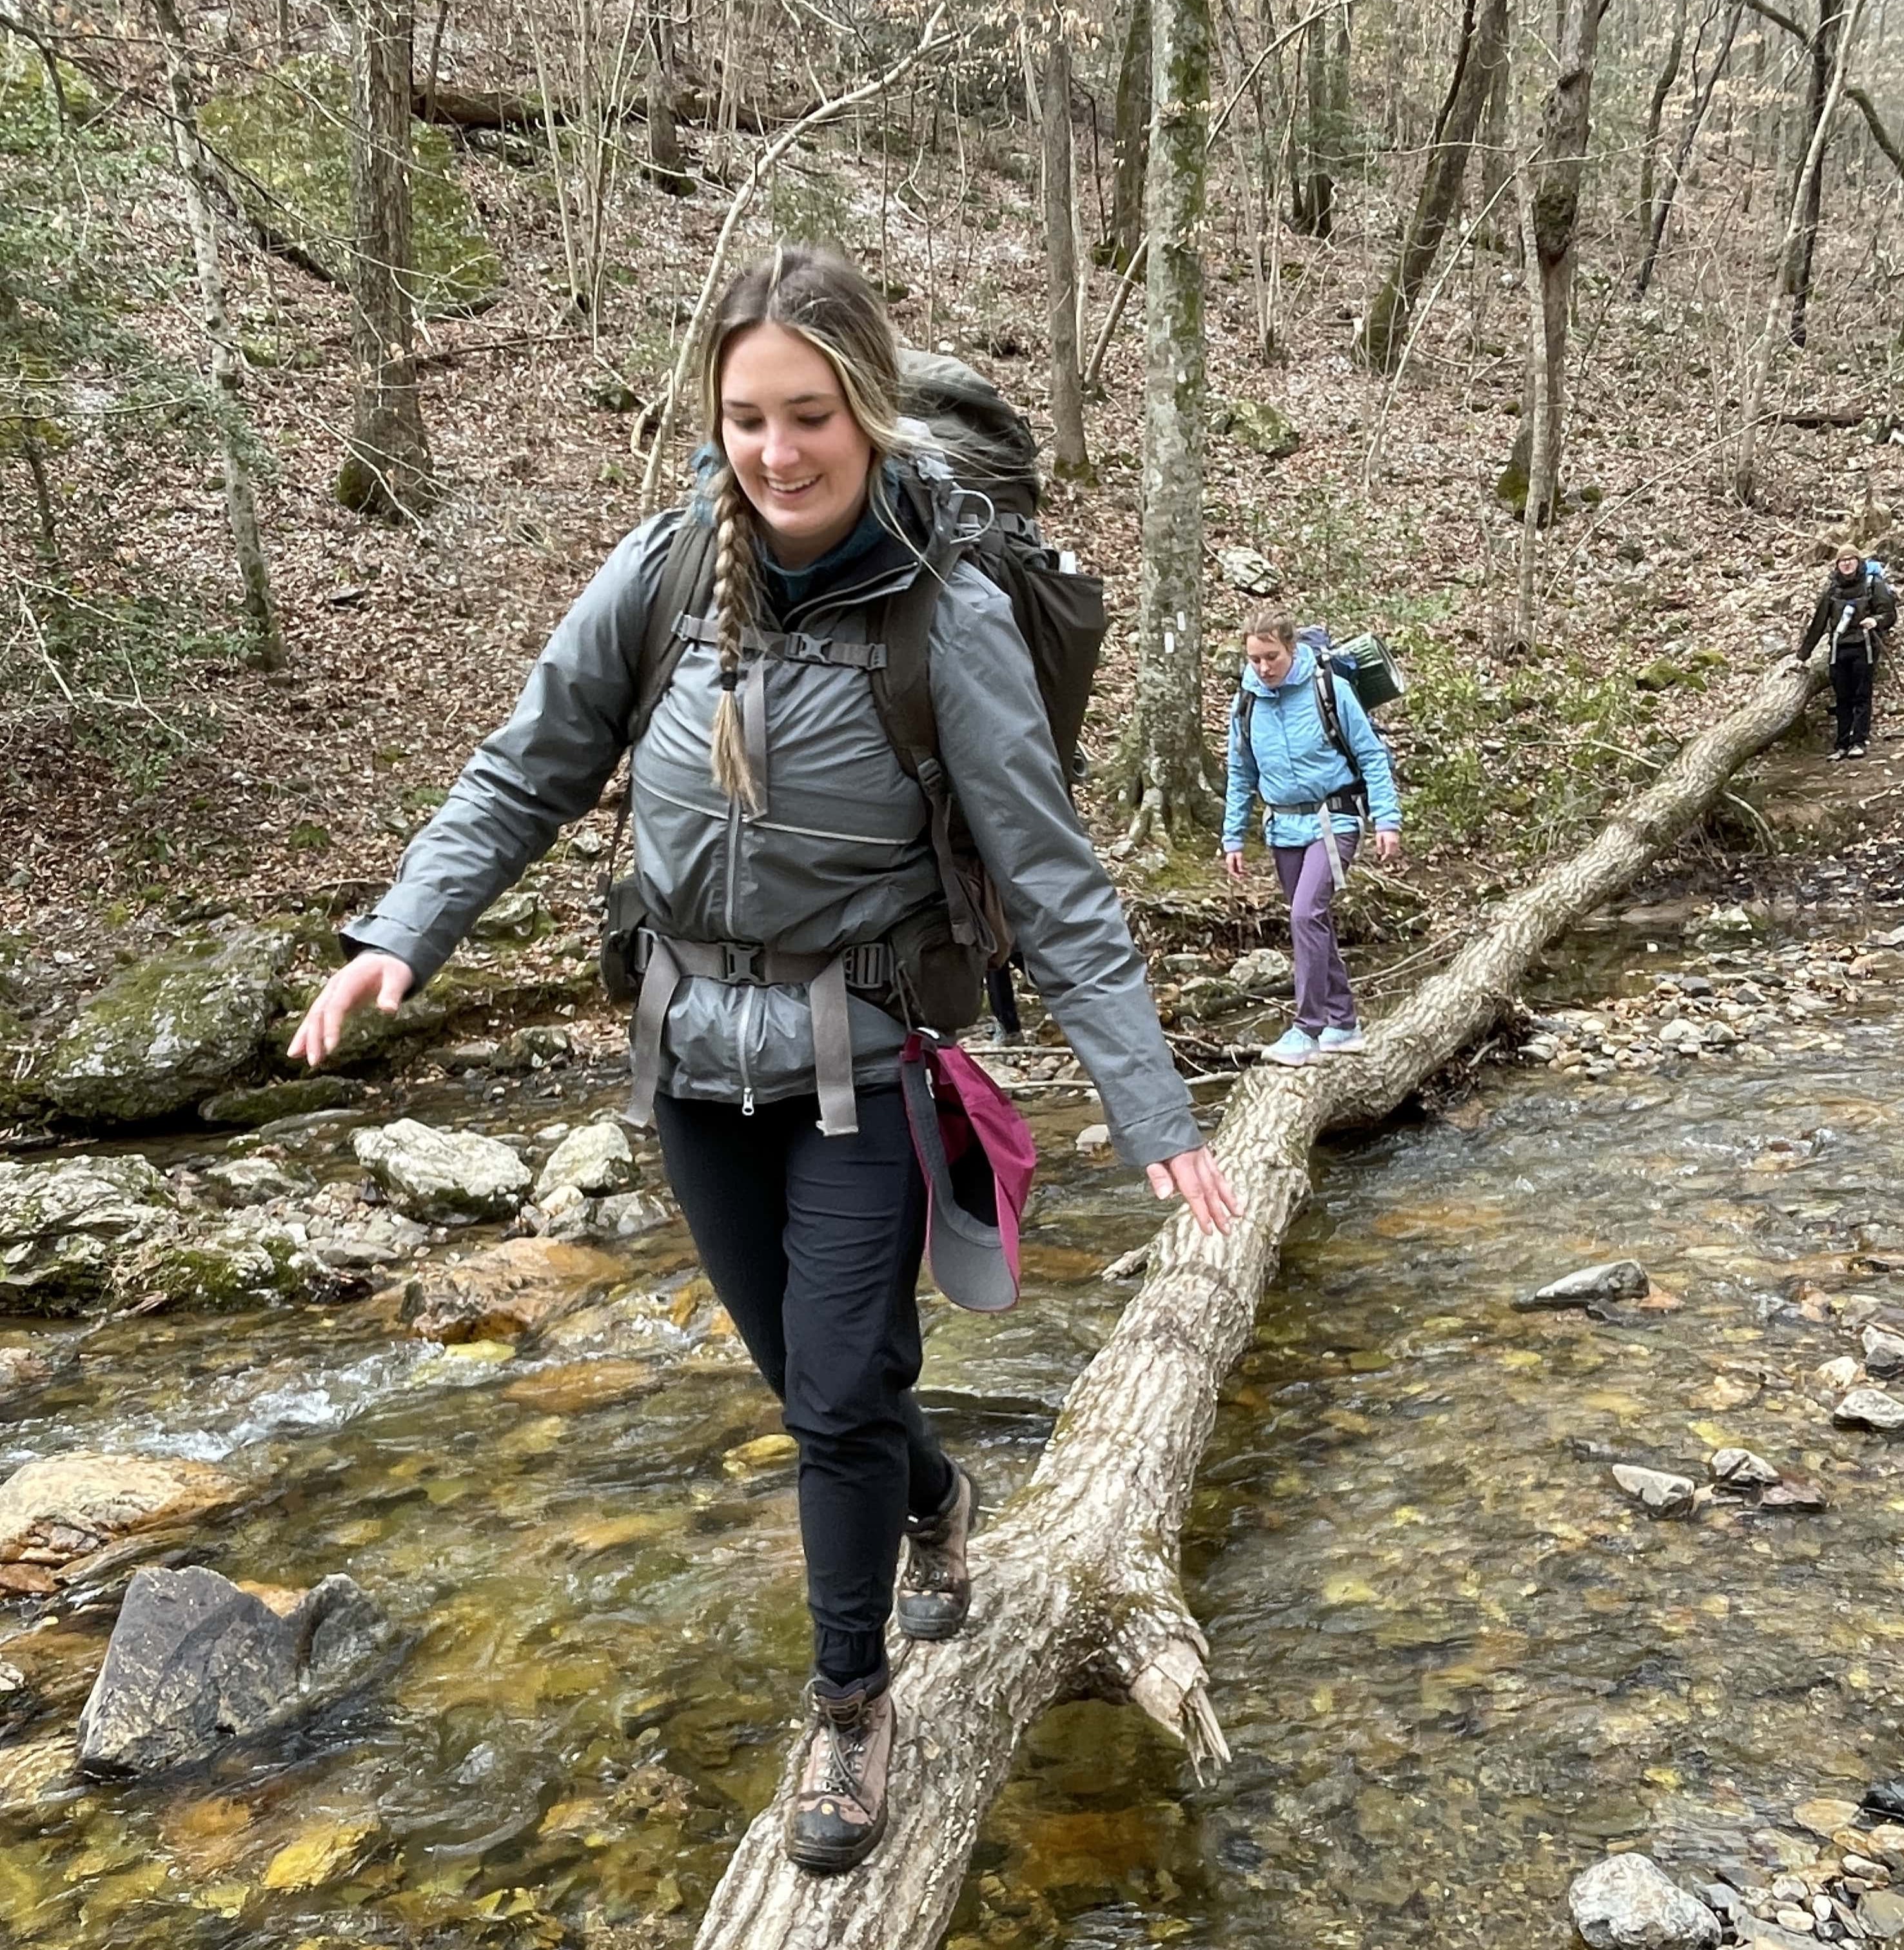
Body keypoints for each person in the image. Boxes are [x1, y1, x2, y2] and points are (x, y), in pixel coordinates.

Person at [286, 244, 1238, 1875]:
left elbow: (1053, 874)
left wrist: (1149, 1101)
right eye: (746, 418)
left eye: (809, 415)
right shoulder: (665, 574)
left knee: (832, 1400)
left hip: (859, 1065)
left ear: (864, 410)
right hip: (687, 1063)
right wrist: (403, 934)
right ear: (713, 418)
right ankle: (936, 1504)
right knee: (816, 1387)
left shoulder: (947, 620)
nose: (777, 452)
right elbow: (526, 769)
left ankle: (852, 1708)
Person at [1221, 610, 1403, 1067]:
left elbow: (1371, 756)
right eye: (1255, 659)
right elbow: (1241, 773)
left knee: (1306, 915)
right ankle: (1344, 1024)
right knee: (1312, 924)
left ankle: (1308, 1029)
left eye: (1272, 657)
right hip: (1282, 827)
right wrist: (1233, 837)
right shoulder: (1246, 703)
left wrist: (1387, 820)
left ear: (1292, 649)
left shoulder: (1330, 690)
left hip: (1333, 820)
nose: (1264, 668)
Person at [1798, 546, 1897, 760]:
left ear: (1858, 562)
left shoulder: (1873, 584)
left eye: (1850, 560)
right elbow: (1818, 624)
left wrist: (1875, 621)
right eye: (1842, 561)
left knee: (1861, 695)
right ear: (1837, 565)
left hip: (1865, 646)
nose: (1846, 564)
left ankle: (1858, 741)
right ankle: (1841, 744)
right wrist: (1802, 656)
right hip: (1839, 648)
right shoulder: (1833, 591)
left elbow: (1889, 614)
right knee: (1842, 698)